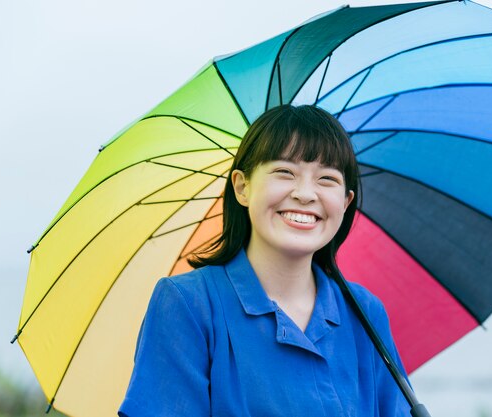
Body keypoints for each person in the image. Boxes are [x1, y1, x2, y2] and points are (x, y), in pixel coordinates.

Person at [118, 105, 410, 416]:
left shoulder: (364, 312)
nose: (306, 193)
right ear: (242, 187)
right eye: (285, 172)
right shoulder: (190, 303)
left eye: (327, 179)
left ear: (345, 201)